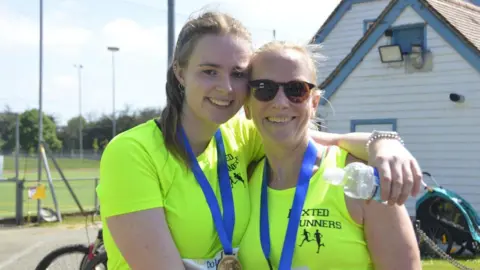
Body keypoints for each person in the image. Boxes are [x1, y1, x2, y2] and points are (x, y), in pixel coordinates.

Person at [96, 11, 422, 270]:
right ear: (180, 72)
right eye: (209, 71)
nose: (226, 87)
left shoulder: (240, 135)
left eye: (238, 73)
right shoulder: (133, 152)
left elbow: (324, 138)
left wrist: (385, 143)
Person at [238, 41, 421, 270]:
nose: (280, 102)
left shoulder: (362, 181)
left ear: (314, 103)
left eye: (296, 90)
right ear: (247, 106)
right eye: (265, 89)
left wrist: (385, 142)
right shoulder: (244, 179)